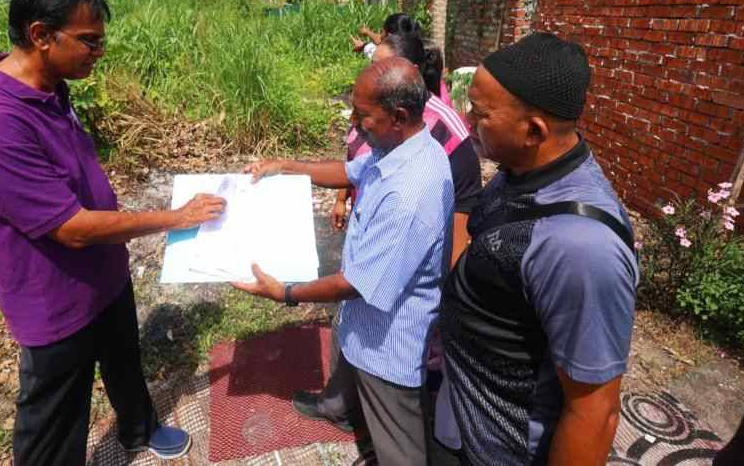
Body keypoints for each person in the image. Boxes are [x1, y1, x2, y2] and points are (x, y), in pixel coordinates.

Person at [0, 0, 225, 465]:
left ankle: (139, 428)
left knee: (124, 359)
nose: (99, 52)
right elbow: (71, 228)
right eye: (89, 42)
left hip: (104, 273)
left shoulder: (51, 87)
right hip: (52, 296)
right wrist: (176, 216)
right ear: (40, 35)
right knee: (55, 414)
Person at [234, 57, 454, 466]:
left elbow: (357, 283)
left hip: (391, 343)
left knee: (399, 447)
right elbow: (350, 171)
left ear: (398, 115)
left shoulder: (410, 193)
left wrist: (284, 292)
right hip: (362, 322)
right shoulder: (402, 146)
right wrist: (284, 167)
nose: (354, 122)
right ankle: (338, 408)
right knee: (347, 355)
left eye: (362, 114)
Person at [435, 32, 639, 465]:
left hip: (503, 449)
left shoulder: (579, 246)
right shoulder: (519, 170)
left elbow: (593, 411)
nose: (467, 121)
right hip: (466, 416)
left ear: (533, 130)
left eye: (480, 113)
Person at [335, 31, 480, 267]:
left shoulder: (445, 128)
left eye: (382, 68)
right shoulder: (370, 110)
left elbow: (462, 203)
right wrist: (341, 198)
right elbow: (354, 156)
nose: (371, 75)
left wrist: (288, 293)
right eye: (372, 66)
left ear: (409, 70)